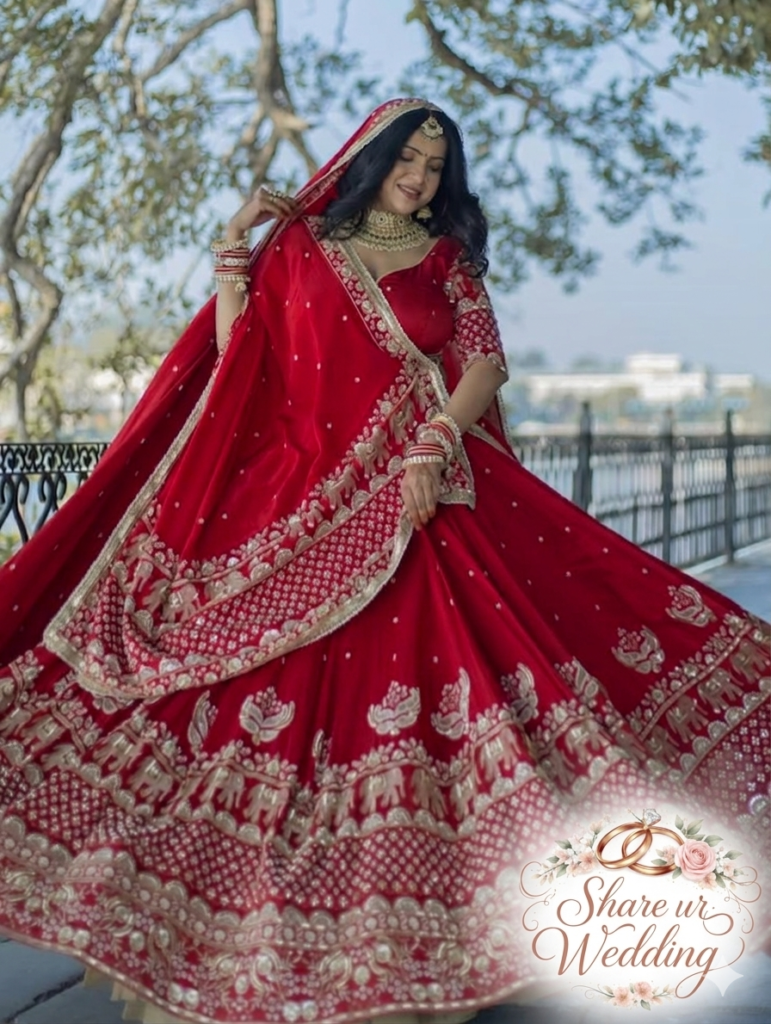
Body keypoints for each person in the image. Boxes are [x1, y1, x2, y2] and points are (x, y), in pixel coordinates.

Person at [0, 97, 769, 1024]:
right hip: (299, 502)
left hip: (426, 490)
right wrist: (233, 248)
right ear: (368, 158)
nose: (418, 177)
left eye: (435, 166)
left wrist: (434, 439)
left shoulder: (446, 260)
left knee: (550, 644)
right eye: (406, 158)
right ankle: (241, 932)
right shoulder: (302, 249)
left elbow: (484, 363)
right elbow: (241, 358)